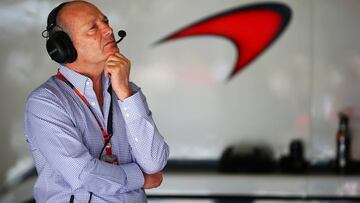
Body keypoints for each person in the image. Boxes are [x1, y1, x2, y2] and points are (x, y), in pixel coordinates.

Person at [24, 1, 169, 202]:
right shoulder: (45, 103)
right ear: (63, 46)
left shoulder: (128, 91)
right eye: (94, 27)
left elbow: (154, 163)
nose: (109, 30)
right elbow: (84, 174)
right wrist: (142, 179)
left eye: (106, 22)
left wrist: (126, 95)